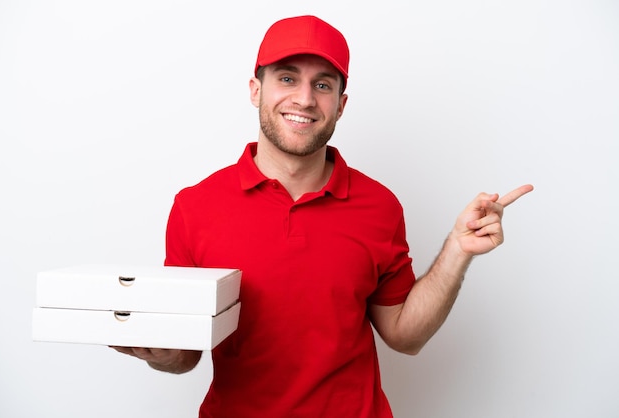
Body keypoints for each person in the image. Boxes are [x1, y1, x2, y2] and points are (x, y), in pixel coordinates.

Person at [113, 15, 533, 417]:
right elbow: (186, 353)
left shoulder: (380, 206)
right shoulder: (195, 207)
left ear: (341, 104)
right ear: (255, 90)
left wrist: (458, 251)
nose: (305, 98)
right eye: (287, 78)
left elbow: (405, 336)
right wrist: (161, 354)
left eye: (323, 84)